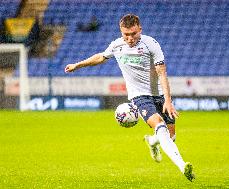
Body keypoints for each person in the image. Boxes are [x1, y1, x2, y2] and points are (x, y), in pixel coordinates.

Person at [65, 14, 195, 181]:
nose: (130, 38)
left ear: (140, 29)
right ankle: (183, 166)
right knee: (159, 125)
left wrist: (168, 101)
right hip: (138, 96)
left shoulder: (151, 44)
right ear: (121, 32)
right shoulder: (117, 45)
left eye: (133, 34)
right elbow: (101, 57)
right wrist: (77, 65)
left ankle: (153, 142)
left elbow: (162, 73)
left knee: (170, 137)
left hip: (159, 94)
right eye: (126, 34)